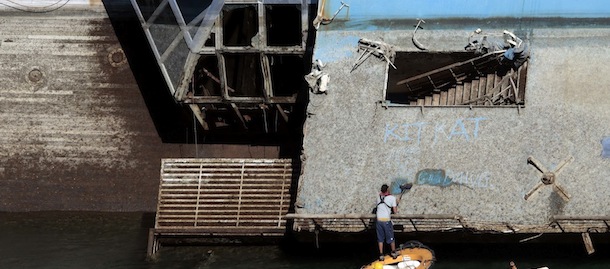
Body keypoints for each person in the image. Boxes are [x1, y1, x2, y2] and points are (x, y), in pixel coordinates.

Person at [375, 184, 398, 261]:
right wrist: (396, 203)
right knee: (391, 238)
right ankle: (393, 252)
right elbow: (395, 211)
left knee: (380, 239)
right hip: (386, 221)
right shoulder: (392, 198)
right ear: (387, 190)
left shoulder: (378, 197)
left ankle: (381, 255)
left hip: (378, 221)